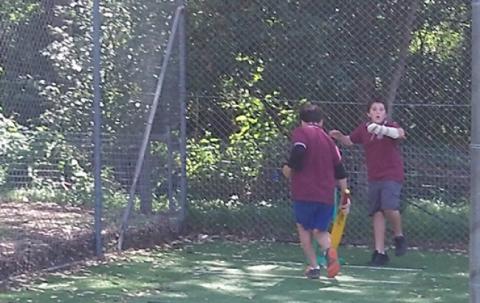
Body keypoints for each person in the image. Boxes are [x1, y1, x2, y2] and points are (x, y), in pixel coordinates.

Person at [329, 98, 407, 266]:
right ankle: (379, 252)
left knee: (389, 207)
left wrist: (381, 129)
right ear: (369, 113)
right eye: (374, 109)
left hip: (392, 175)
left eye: (381, 109)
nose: (377, 112)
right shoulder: (364, 129)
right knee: (377, 212)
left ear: (385, 113)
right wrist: (340, 137)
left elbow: (400, 133)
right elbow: (350, 141)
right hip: (374, 177)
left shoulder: (390, 126)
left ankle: (399, 236)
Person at [282, 103, 350, 279]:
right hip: (326, 195)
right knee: (319, 230)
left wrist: (288, 168)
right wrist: (345, 194)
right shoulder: (328, 140)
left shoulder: (302, 132)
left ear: (302, 121)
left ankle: (313, 267)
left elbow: (299, 150)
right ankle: (329, 251)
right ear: (321, 121)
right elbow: (339, 169)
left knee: (304, 230)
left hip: (304, 193)